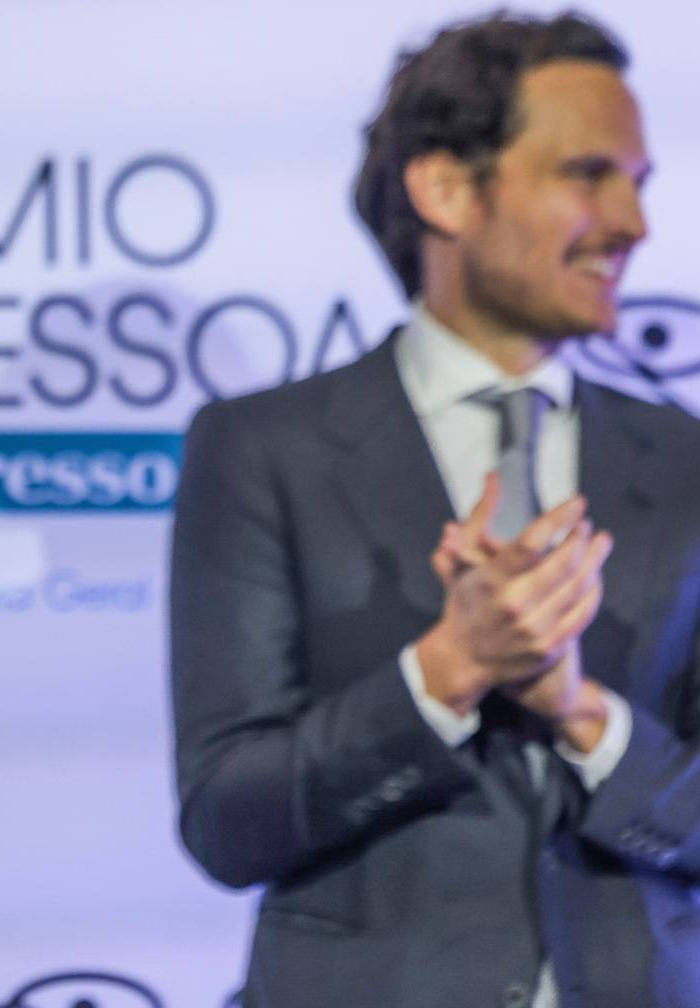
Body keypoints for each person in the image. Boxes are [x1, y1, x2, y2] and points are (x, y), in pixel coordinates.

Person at [171, 11, 700, 1007]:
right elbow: (224, 820)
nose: (634, 222)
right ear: (447, 188)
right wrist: (450, 669)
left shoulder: (686, 461)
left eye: (639, 182)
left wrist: (580, 711)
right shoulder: (261, 450)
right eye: (590, 174)